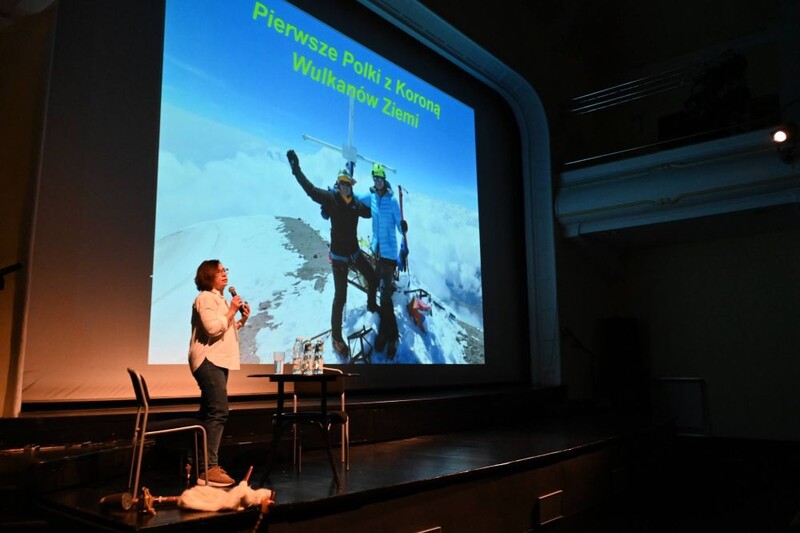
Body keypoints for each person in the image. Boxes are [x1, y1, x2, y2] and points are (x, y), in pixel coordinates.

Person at [286, 149, 377, 356]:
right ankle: (337, 338)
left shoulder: (355, 204)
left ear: (352, 186)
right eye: (342, 183)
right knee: (340, 297)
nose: (346, 186)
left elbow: (372, 214)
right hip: (339, 258)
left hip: (354, 253)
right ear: (339, 184)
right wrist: (296, 170)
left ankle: (372, 307)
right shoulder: (331, 198)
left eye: (348, 184)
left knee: (372, 278)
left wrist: (381, 199)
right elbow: (310, 190)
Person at [188, 259, 249, 487]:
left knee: (208, 412)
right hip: (208, 360)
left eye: (225, 270)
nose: (224, 274)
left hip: (218, 360)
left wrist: (240, 319)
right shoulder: (205, 298)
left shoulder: (218, 299)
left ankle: (195, 462)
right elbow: (212, 329)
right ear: (208, 276)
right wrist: (232, 310)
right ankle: (209, 468)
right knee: (219, 411)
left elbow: (223, 329)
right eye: (219, 271)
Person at [366, 163, 408, 358]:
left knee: (384, 297)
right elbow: (355, 199)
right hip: (377, 253)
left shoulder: (391, 201)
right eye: (375, 178)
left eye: (380, 178)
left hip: (390, 257)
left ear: (385, 179)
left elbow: (400, 225)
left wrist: (403, 228)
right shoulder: (373, 197)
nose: (377, 181)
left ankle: (390, 337)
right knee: (383, 297)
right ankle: (385, 334)